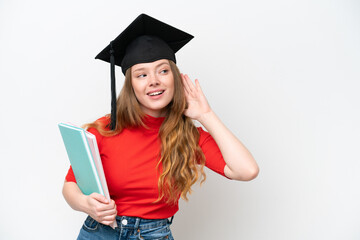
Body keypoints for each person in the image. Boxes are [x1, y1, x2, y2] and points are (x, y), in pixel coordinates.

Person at [62, 13, 259, 240]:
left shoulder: (189, 136)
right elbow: (70, 186)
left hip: (153, 235)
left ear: (174, 77)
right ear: (131, 85)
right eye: (142, 74)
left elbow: (246, 170)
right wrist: (86, 204)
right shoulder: (105, 128)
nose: (154, 80)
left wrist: (206, 115)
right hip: (99, 233)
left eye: (163, 70)